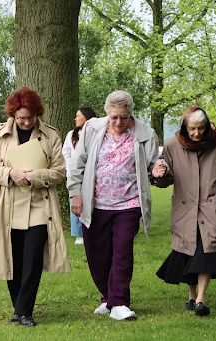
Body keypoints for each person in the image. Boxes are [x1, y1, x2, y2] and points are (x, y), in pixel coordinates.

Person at [0, 87, 71, 327]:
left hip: (40, 207)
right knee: (14, 259)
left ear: (37, 114)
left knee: (32, 260)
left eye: (29, 117)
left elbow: (60, 171)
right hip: (7, 205)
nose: (25, 122)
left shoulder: (50, 135)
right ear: (12, 115)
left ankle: (24, 311)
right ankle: (18, 310)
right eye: (20, 118)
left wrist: (34, 177)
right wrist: (11, 173)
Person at [68, 90, 160, 321]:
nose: (119, 122)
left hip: (128, 204)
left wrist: (160, 168)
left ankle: (119, 302)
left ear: (131, 114)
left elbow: (154, 163)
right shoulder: (91, 129)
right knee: (97, 254)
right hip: (95, 203)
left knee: (122, 252)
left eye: (124, 117)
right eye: (114, 117)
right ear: (107, 113)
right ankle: (107, 297)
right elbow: (77, 164)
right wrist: (75, 195)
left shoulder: (145, 134)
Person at [153, 106, 216, 317]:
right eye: (192, 129)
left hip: (211, 208)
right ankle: (191, 295)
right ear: (184, 127)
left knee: (206, 251)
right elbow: (165, 179)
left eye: (201, 128)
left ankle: (201, 299)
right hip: (185, 209)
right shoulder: (172, 145)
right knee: (186, 252)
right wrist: (159, 174)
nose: (197, 133)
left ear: (207, 127)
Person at [62, 107, 97, 245]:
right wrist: (70, 170)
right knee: (75, 200)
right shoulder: (71, 134)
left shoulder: (96, 134)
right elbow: (66, 153)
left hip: (92, 174)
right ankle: (78, 233)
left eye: (78, 116)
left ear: (87, 118)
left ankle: (92, 230)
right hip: (75, 173)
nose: (76, 119)